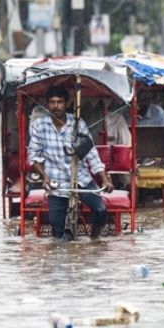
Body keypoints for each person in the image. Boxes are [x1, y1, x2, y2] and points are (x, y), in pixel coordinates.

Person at [28, 86, 113, 239]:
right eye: (52, 102)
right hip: (56, 181)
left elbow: (92, 154)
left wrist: (105, 180)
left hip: (80, 177)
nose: (55, 106)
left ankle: (95, 239)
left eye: (59, 102)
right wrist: (44, 177)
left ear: (66, 103)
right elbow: (33, 156)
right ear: (47, 104)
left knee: (101, 209)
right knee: (57, 229)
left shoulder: (78, 124)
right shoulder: (39, 125)